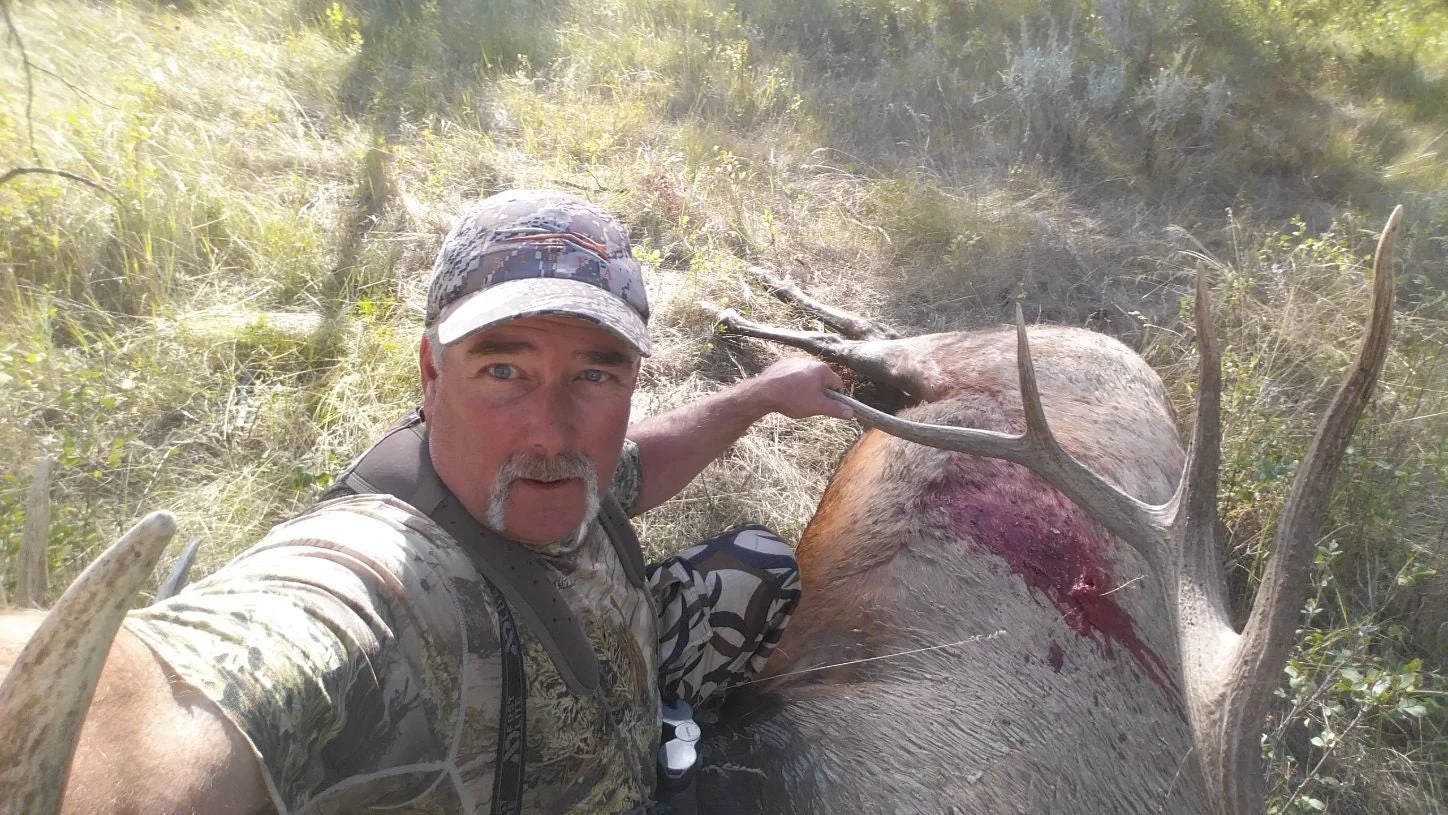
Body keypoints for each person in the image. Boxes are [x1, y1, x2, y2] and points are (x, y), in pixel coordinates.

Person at [43, 189, 852, 813]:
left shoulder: (563, 473)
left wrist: (766, 395)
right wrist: (79, 722)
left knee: (761, 564)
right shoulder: (390, 575)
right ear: (430, 374)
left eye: (594, 374)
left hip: (630, 684)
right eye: (504, 370)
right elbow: (214, 678)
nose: (550, 432)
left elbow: (639, 465)